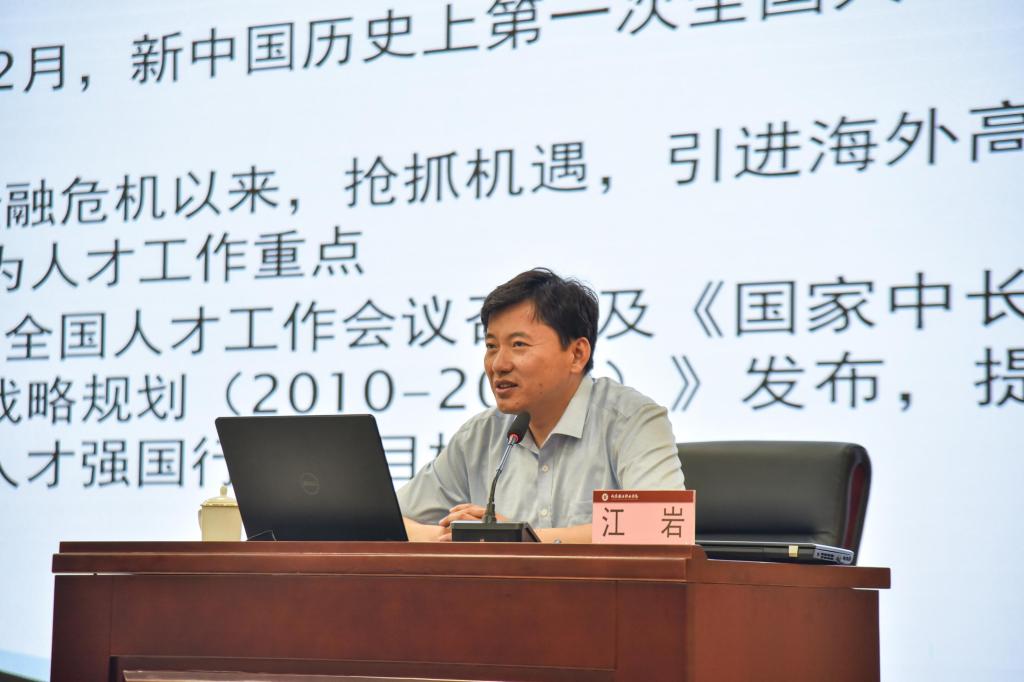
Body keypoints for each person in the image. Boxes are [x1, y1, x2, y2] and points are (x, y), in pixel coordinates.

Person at [398, 268, 685, 542]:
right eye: (491, 346)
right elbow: (391, 521)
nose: (498, 364)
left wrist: (518, 538)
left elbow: (662, 526)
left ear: (577, 354)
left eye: (518, 345)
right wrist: (451, 537)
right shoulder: (479, 436)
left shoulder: (632, 421)